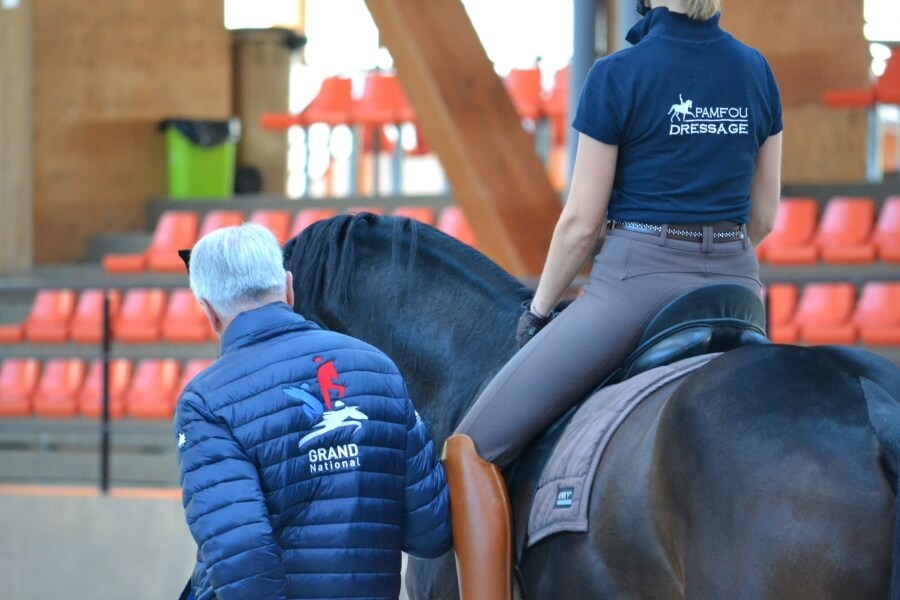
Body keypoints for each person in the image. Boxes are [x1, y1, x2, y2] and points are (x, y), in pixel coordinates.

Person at [442, 0, 783, 598]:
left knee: (471, 446)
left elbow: (581, 225)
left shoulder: (618, 74)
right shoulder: (755, 70)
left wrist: (540, 310)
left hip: (637, 285)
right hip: (737, 288)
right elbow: (764, 214)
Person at [174, 223, 452, 600]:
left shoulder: (205, 401)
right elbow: (432, 530)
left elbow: (240, 557)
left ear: (209, 312)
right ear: (289, 288)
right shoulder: (379, 368)